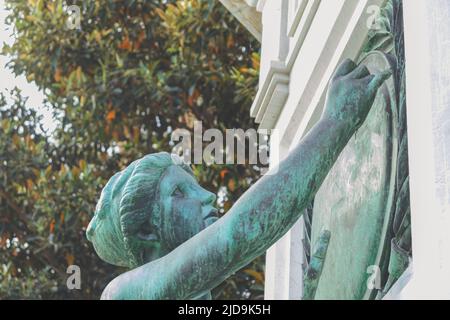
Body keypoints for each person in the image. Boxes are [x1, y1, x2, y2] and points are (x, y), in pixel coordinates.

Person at [86, 59, 391, 299]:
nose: (206, 196)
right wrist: (337, 120)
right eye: (180, 192)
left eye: (194, 185)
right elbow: (236, 234)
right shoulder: (122, 294)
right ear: (146, 232)